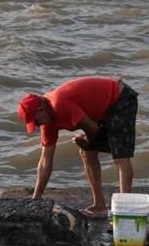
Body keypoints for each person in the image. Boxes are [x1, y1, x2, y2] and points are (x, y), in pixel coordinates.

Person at [17, 77, 139, 217]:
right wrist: (36, 199)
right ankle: (99, 206)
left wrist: (87, 141)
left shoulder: (59, 104)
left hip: (119, 98)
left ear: (41, 110)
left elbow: (92, 128)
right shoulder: (48, 124)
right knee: (87, 152)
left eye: (36, 121)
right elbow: (45, 161)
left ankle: (124, 213)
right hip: (99, 109)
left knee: (121, 157)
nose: (38, 126)